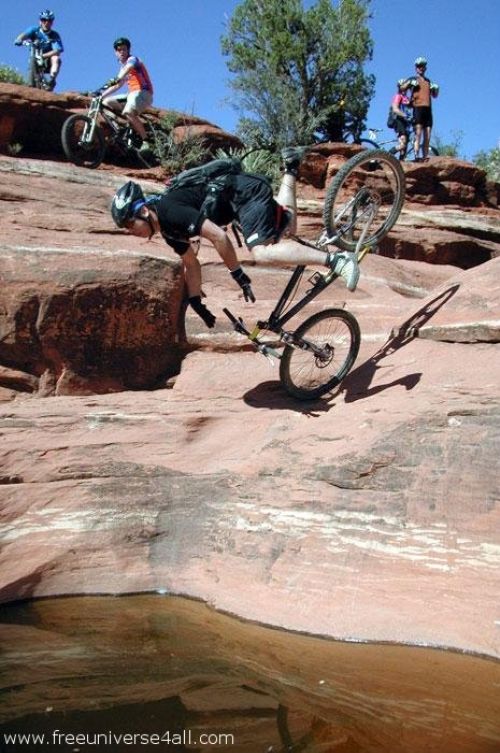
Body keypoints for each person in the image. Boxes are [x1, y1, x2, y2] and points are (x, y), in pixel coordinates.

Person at [110, 148, 360, 329]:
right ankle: (291, 169)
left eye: (130, 223)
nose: (131, 230)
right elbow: (191, 263)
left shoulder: (168, 210)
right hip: (240, 201)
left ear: (143, 210)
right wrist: (195, 301)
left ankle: (338, 261)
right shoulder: (168, 231)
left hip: (244, 194)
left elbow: (218, 236)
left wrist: (237, 273)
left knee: (261, 252)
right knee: (287, 230)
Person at [101, 37, 154, 154]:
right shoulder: (122, 68)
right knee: (105, 102)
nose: (121, 52)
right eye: (119, 50)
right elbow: (116, 86)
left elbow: (128, 68)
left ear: (128, 50)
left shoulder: (133, 60)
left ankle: (146, 141)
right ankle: (119, 127)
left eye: (124, 49)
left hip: (143, 92)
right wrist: (100, 94)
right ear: (115, 52)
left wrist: (118, 77)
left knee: (128, 112)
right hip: (130, 95)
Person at [14, 9, 63, 91]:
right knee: (32, 59)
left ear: (52, 22)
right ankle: (31, 84)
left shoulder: (54, 35)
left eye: (49, 20)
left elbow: (57, 50)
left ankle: (51, 80)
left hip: (47, 59)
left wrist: (43, 56)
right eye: (44, 20)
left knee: (56, 58)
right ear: (40, 21)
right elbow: (23, 35)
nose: (46, 23)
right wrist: (19, 40)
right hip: (35, 55)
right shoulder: (34, 30)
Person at [404, 57, 439, 161]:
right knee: (418, 133)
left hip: (428, 109)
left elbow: (435, 95)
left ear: (425, 68)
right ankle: (416, 155)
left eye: (422, 66)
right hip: (418, 107)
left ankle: (425, 157)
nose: (421, 68)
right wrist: (409, 84)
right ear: (416, 68)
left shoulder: (428, 81)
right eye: (419, 66)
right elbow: (402, 88)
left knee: (427, 135)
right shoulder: (412, 79)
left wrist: (436, 89)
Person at [389, 79, 411, 160]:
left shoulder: (407, 98)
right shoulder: (398, 96)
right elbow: (395, 109)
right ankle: (386, 156)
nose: (405, 88)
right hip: (399, 120)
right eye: (403, 86)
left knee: (405, 147)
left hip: (407, 123)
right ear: (399, 87)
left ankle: (401, 162)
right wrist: (405, 115)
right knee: (402, 144)